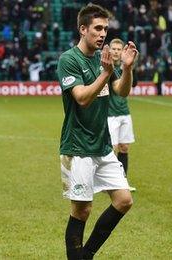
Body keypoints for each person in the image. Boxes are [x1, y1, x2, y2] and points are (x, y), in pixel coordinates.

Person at [56, 4, 139, 259]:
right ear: (83, 29)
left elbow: (122, 91)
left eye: (106, 28)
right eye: (97, 28)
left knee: (124, 200)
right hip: (78, 146)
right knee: (82, 210)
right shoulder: (69, 60)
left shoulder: (103, 59)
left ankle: (87, 254)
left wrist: (126, 68)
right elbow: (81, 97)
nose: (103, 33)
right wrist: (105, 72)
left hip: (102, 145)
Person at [108, 38, 137, 192]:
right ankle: (109, 181)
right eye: (114, 49)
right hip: (109, 114)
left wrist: (130, 67)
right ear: (109, 50)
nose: (116, 52)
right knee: (111, 148)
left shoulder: (125, 68)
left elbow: (134, 83)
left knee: (124, 148)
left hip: (124, 112)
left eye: (119, 49)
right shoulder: (106, 68)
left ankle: (123, 181)